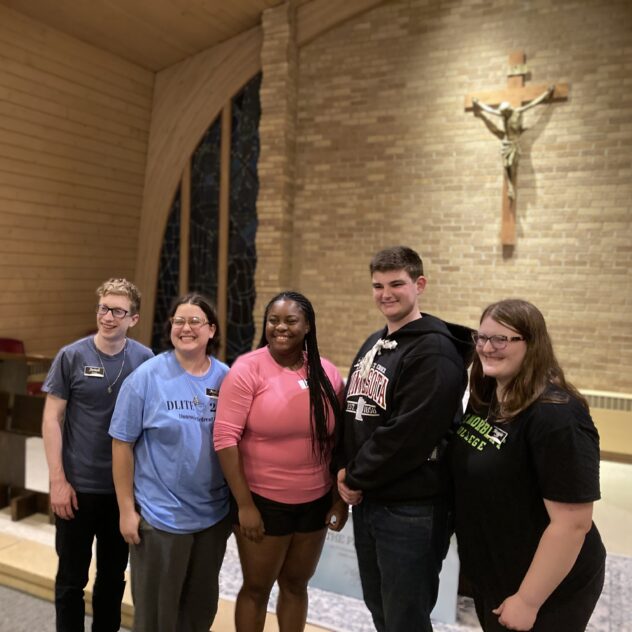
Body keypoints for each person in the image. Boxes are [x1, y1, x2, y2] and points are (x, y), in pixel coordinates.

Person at [335, 246, 472, 632]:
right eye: (378, 285)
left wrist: (355, 475)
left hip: (412, 507)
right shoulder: (374, 343)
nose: (385, 293)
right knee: (380, 605)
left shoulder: (435, 351)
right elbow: (353, 413)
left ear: (420, 284)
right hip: (370, 499)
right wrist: (344, 469)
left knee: (406, 616)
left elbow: (410, 434)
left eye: (397, 283)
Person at [451, 299, 606, 632]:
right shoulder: (487, 397)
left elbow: (572, 524)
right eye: (482, 337)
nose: (487, 348)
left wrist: (528, 600)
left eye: (501, 339)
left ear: (532, 344)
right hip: (495, 569)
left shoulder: (557, 416)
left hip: (547, 586)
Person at [213, 291, 347, 632]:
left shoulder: (327, 372)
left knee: (296, 585)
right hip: (262, 500)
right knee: (257, 588)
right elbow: (225, 438)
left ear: (307, 326)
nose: (280, 328)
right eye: (273, 320)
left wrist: (337, 499)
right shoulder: (248, 369)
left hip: (314, 501)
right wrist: (244, 505)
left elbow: (336, 442)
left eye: (290, 321)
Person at [109, 293, 230, 632]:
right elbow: (121, 444)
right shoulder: (146, 378)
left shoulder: (227, 379)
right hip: (160, 518)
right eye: (179, 321)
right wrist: (126, 510)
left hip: (212, 518)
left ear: (211, 330)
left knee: (198, 612)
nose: (186, 328)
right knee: (156, 616)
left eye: (195, 321)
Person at [41, 278, 153, 632]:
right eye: (104, 308)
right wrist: (57, 481)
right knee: (71, 580)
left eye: (118, 311)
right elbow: (51, 419)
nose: (108, 317)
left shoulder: (144, 359)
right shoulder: (71, 356)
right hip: (76, 488)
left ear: (133, 318)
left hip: (122, 493)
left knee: (112, 579)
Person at [473, 86, 554, 199]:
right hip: (506, 143)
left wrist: (546, 94)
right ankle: (510, 186)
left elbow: (532, 104)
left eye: (505, 113)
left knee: (512, 166)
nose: (503, 115)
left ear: (508, 110)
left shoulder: (517, 112)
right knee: (506, 164)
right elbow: (490, 111)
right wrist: (478, 104)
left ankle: (512, 186)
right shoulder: (503, 115)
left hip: (514, 142)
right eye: (503, 113)